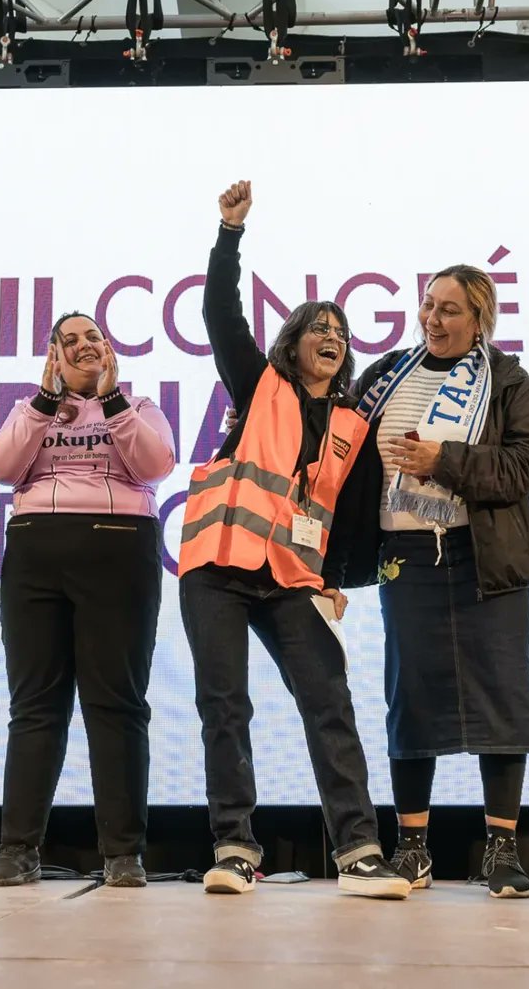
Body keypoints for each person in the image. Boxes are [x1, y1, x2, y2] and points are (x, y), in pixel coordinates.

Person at [179, 181, 409, 901]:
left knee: (328, 702)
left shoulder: (354, 427)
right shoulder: (259, 386)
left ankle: (361, 850)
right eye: (319, 324)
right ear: (295, 341)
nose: (332, 334)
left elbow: (351, 516)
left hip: (293, 578)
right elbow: (220, 312)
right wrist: (228, 234)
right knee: (226, 704)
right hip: (218, 565)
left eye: (341, 328)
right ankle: (234, 846)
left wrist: (338, 577)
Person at [341, 264, 529, 899]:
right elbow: (338, 450)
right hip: (406, 555)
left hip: (484, 557)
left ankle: (502, 849)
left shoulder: (506, 380)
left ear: (480, 319)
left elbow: (527, 464)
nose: (433, 318)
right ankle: (412, 848)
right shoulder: (385, 377)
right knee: (413, 696)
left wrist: (444, 460)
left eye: (450, 309)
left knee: (500, 695)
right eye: (429, 305)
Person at [0, 312, 175, 888]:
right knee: (35, 705)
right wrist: (43, 403)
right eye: (70, 340)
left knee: (116, 703)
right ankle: (18, 849)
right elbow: (0, 467)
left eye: (94, 336)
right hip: (38, 552)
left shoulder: (140, 408)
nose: (85, 346)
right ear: (53, 359)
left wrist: (112, 402)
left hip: (119, 551)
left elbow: (155, 466)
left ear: (111, 350)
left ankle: (122, 853)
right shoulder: (31, 410)